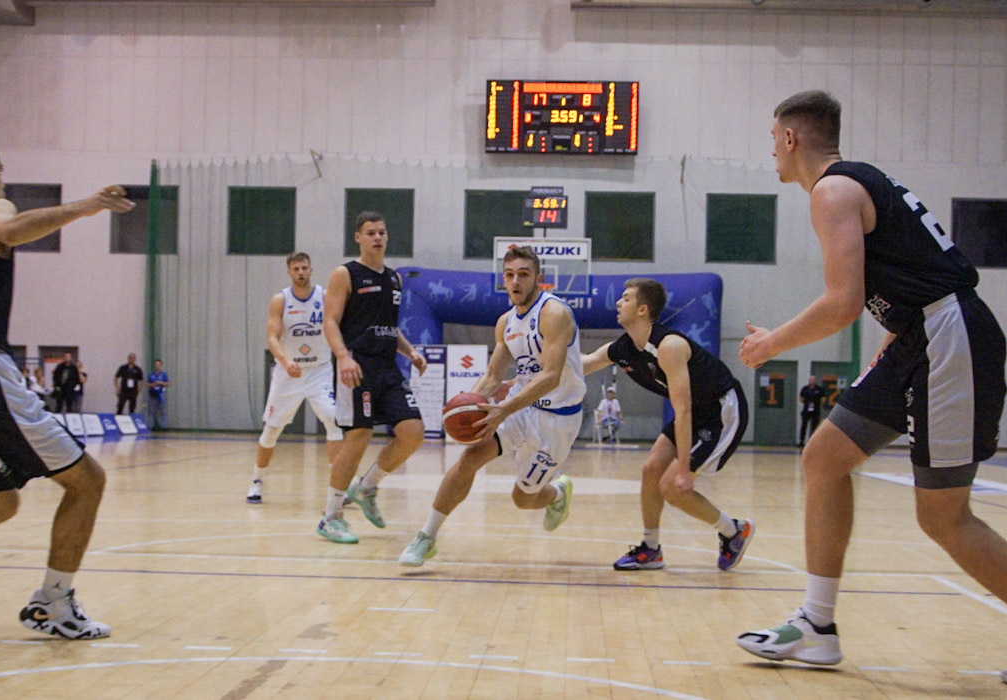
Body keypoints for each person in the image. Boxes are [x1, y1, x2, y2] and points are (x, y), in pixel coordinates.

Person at [737, 90, 1007, 672]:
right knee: (824, 458)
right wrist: (892, 346)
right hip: (918, 336)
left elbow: (843, 304)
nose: (772, 151)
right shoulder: (859, 182)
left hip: (949, 336)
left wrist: (771, 344)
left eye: (773, 139)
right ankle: (817, 625)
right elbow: (907, 277)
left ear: (790, 138)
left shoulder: (832, 190)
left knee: (943, 516)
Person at [0, 130, 134, 638]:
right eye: (0, 172)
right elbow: (10, 229)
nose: (3, 181)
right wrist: (87, 205)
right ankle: (53, 606)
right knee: (88, 482)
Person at [399, 245, 584, 566]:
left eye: (523, 274)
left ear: (538, 278)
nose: (515, 281)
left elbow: (551, 376)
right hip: (522, 407)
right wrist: (466, 409)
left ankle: (557, 493)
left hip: (558, 419)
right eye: (509, 275)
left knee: (523, 499)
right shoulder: (506, 323)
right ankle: (427, 536)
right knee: (470, 458)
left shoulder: (555, 313)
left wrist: (504, 409)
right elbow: (492, 376)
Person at [580, 278, 753, 572]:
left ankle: (733, 531)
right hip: (695, 411)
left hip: (721, 410)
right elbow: (583, 364)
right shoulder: (624, 348)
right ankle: (651, 549)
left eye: (626, 298)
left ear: (643, 309)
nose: (618, 302)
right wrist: (536, 368)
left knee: (672, 487)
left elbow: (682, 409)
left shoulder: (669, 346)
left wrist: (683, 468)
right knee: (651, 471)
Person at [319, 211, 427, 543]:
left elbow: (389, 327)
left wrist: (410, 352)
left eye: (382, 232)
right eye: (371, 232)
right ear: (358, 237)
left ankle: (366, 487)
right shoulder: (345, 274)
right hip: (357, 364)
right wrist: (343, 357)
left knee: (413, 432)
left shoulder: (394, 278)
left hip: (387, 366)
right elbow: (330, 321)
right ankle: (330, 517)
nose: (378, 237)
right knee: (359, 436)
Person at [246, 253, 343, 504]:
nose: (301, 272)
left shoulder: (324, 296)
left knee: (333, 420)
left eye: (304, 268)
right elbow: (272, 336)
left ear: (311, 270)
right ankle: (257, 480)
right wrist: (285, 361)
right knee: (272, 430)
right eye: (296, 268)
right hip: (289, 372)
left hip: (319, 370)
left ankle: (339, 486)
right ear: (289, 272)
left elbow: (337, 326)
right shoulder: (280, 300)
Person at [798, 374, 825, 447]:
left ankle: (814, 442)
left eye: (813, 379)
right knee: (804, 425)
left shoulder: (819, 389)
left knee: (815, 426)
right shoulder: (805, 389)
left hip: (815, 410)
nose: (812, 381)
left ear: (816, 381)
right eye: (811, 379)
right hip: (806, 410)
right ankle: (801, 441)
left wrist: (817, 404)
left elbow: (823, 399)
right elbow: (801, 398)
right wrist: (806, 403)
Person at [146, 359, 169, 431]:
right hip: (152, 394)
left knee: (162, 410)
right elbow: (147, 384)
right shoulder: (151, 374)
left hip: (161, 394)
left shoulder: (164, 374)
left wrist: (160, 383)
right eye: (156, 364)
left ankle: (164, 426)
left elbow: (167, 384)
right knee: (151, 411)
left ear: (161, 365)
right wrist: (151, 385)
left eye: (158, 364)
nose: (157, 366)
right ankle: (150, 426)